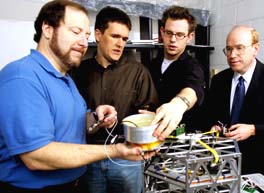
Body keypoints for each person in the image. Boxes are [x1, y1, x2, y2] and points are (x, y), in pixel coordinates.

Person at [0, 1, 154, 192]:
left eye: (86, 35)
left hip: (72, 184)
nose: (83, 42)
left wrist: (95, 117)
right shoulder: (22, 77)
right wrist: (114, 150)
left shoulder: (65, 79)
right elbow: (36, 156)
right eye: (75, 32)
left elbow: (70, 126)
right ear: (47, 29)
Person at [71, 6, 159, 193]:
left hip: (126, 158)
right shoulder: (78, 72)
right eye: (115, 36)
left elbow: (148, 113)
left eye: (125, 39)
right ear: (98, 35)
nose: (121, 44)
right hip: (89, 156)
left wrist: (147, 119)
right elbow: (71, 116)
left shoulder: (138, 72)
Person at [202, 25, 264, 189]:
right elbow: (208, 115)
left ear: (255, 49)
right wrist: (213, 125)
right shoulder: (219, 80)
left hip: (263, 172)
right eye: (228, 49)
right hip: (223, 169)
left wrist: (254, 129)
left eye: (239, 48)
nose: (232, 55)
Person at [143, 6, 205, 140]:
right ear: (162, 32)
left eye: (180, 35)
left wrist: (178, 105)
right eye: (169, 33)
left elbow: (193, 90)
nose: (173, 39)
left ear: (189, 37)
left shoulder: (193, 67)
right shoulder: (151, 65)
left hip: (180, 142)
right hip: (151, 137)